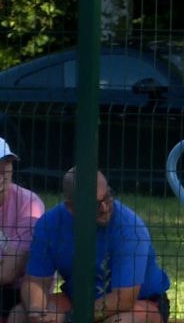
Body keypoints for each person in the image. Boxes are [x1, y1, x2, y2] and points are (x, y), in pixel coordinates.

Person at [11, 169, 171, 323]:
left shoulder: (130, 229)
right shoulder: (49, 224)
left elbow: (124, 299)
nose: (104, 208)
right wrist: (37, 311)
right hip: (78, 300)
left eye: (108, 196)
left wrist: (69, 319)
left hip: (140, 302)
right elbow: (35, 282)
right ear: (71, 207)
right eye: (94, 204)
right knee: (20, 315)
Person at [0, 138, 44, 321]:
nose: (2, 171)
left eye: (7, 163)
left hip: (20, 291)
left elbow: (8, 274)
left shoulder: (28, 204)